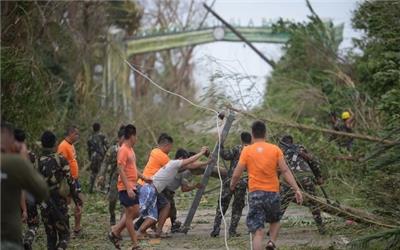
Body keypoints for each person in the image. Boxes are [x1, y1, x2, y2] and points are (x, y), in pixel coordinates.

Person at [230, 121, 303, 250]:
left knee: (258, 232)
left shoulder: (247, 150)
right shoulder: (275, 149)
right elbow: (285, 170)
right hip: (273, 192)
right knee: (275, 221)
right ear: (265, 133)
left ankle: (263, 242)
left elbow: (237, 173)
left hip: (255, 193)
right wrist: (296, 189)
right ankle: (271, 243)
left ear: (252, 134)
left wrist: (232, 185)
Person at [137, 147, 209, 238]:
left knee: (156, 212)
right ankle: (137, 231)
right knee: (143, 213)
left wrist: (207, 163)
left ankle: (150, 232)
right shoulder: (174, 163)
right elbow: (190, 162)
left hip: (152, 189)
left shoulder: (175, 166)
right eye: (184, 160)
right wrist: (202, 153)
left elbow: (191, 165)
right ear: (180, 158)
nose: (186, 162)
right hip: (150, 189)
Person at [1, 121, 49, 249]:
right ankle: (27, 241)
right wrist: (23, 159)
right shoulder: (16, 162)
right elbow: (42, 191)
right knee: (33, 223)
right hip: (8, 239)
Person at [108, 124, 151, 250]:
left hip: (133, 185)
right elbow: (120, 169)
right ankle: (135, 244)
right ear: (131, 136)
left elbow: (132, 169)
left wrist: (144, 178)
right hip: (125, 187)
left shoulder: (131, 150)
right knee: (130, 213)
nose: (136, 139)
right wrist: (127, 188)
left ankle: (115, 232)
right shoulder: (123, 150)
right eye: (135, 136)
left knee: (135, 212)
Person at [38, 131, 82, 249]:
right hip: (59, 201)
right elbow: (70, 181)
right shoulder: (60, 160)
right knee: (65, 235)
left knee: (50, 237)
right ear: (55, 144)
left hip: (44, 202)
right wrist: (77, 201)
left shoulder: (37, 161)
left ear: (42, 144)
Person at [278, 135, 325, 234]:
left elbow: (277, 168)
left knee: (283, 202)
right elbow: (313, 162)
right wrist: (319, 176)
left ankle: (273, 228)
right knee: (313, 202)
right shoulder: (300, 147)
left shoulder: (280, 151)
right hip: (305, 176)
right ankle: (321, 227)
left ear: (282, 143)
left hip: (289, 179)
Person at [210, 132, 251, 238]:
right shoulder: (252, 151)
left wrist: (220, 143)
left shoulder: (237, 148)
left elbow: (225, 155)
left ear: (241, 139)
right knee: (237, 207)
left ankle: (216, 229)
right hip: (242, 182)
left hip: (230, 180)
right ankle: (232, 231)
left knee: (222, 204)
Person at [134, 133, 174, 231]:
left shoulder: (154, 151)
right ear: (167, 145)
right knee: (164, 206)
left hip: (143, 185)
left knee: (152, 209)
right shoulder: (162, 156)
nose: (170, 150)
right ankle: (143, 230)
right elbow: (177, 166)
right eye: (170, 147)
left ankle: (148, 229)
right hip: (147, 187)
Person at [163, 151, 205, 233]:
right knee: (167, 210)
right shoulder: (186, 171)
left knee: (171, 210)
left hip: (167, 190)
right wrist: (195, 186)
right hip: (166, 190)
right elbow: (184, 189)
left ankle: (173, 226)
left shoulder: (183, 168)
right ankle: (142, 225)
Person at [13, 129, 40, 250]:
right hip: (28, 195)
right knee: (33, 224)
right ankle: (28, 240)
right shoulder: (31, 156)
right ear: (24, 140)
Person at [57, 126, 83, 236]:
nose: (77, 136)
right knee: (68, 203)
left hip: (75, 179)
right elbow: (60, 165)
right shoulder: (63, 146)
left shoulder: (71, 145)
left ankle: (77, 228)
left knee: (79, 202)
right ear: (71, 134)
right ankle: (64, 228)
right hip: (68, 180)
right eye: (76, 134)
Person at [98, 126, 125, 225]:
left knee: (124, 202)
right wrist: (102, 175)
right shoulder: (113, 149)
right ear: (119, 138)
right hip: (114, 178)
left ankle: (122, 223)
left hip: (125, 179)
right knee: (112, 199)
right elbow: (105, 162)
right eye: (123, 138)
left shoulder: (129, 150)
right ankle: (112, 214)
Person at [87, 122, 108, 193]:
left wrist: (90, 158)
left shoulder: (90, 138)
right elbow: (107, 146)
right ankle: (102, 188)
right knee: (102, 172)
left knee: (93, 173)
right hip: (101, 157)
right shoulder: (102, 136)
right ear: (99, 128)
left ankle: (90, 188)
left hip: (93, 157)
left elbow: (89, 149)